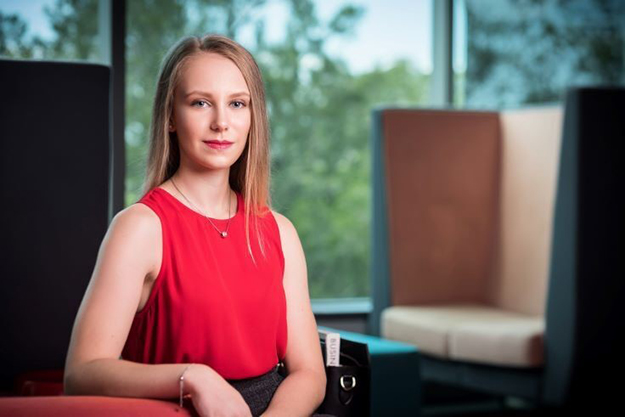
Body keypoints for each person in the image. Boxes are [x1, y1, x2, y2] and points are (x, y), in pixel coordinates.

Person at [64, 34, 332, 417]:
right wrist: (195, 378)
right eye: (201, 103)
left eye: (237, 104)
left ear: (253, 117)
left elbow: (308, 373)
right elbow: (81, 373)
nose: (221, 122)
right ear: (171, 117)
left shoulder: (279, 232)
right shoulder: (139, 228)